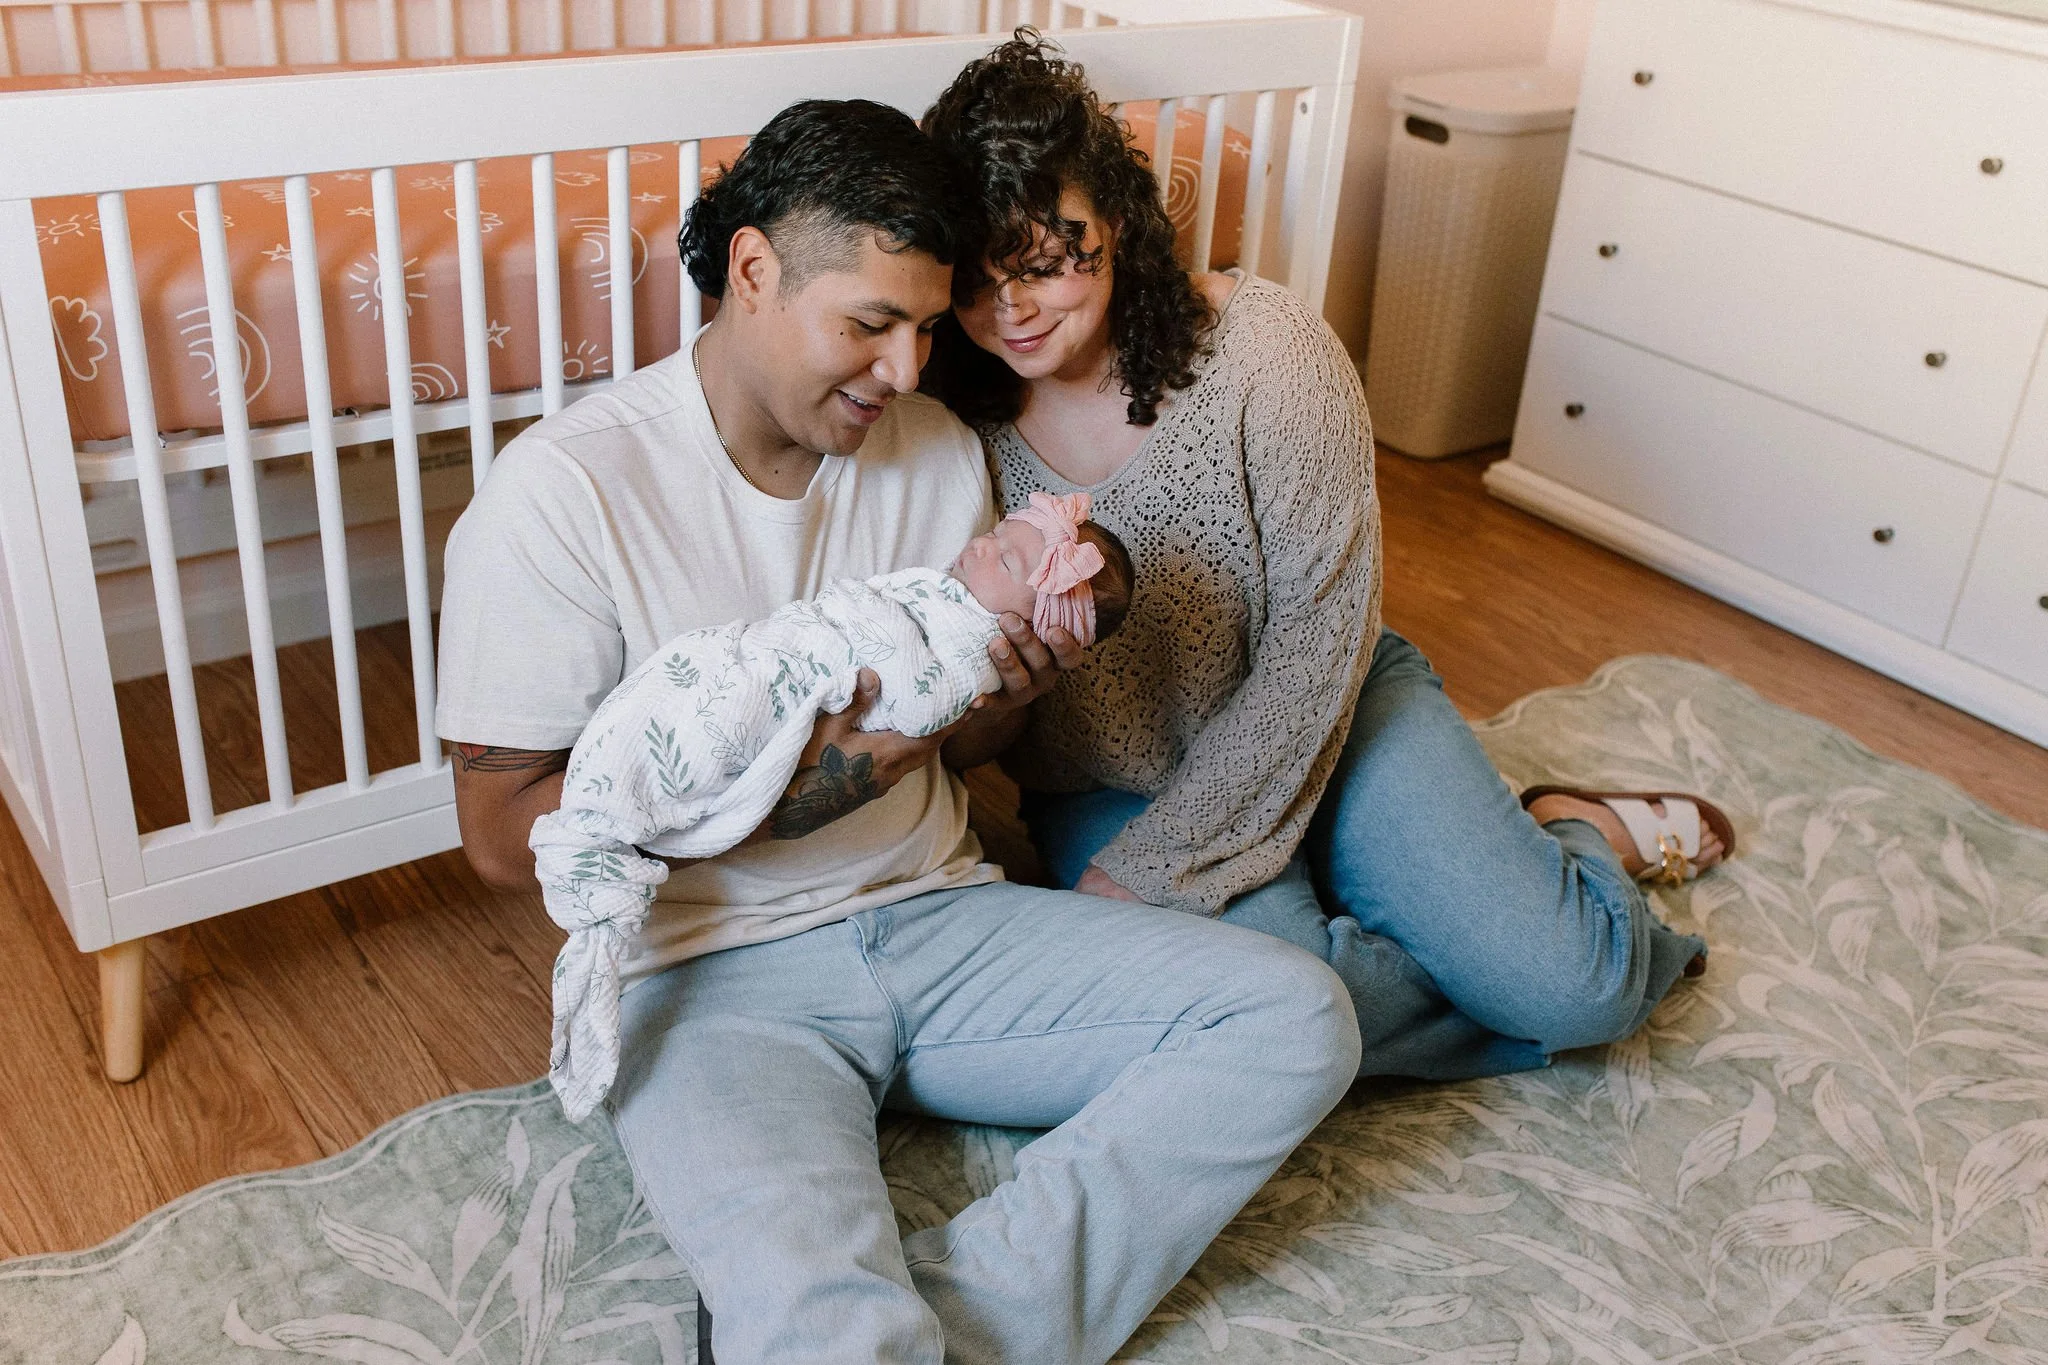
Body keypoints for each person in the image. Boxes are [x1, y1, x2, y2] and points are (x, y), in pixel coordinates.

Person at [435, 97, 1360, 1365]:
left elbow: (967, 750)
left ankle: (925, 1330)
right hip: (711, 979)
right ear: (753, 271)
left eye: (926, 328)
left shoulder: (928, 453)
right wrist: (864, 754)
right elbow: (500, 841)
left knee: (1295, 1017)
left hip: (941, 919)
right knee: (820, 1320)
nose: (910, 371)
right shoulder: (561, 494)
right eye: (869, 325)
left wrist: (1008, 687)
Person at [921, 34, 1732, 1083]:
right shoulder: (947, 426)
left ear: (1114, 217)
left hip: (1335, 715)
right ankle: (1432, 926)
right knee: (1259, 1010)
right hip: (1107, 783)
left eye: (1044, 260)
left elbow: (1319, 639)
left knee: (1575, 990)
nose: (1013, 310)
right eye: (980, 284)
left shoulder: (1263, 352)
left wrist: (1153, 875)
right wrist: (1002, 703)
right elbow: (967, 723)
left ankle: (1567, 837)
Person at [529, 493, 1132, 1122]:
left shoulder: (973, 632)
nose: (980, 546)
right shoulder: (566, 493)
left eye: (1006, 561)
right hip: (716, 952)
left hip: (941, 904)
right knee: (701, 703)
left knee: (1244, 1017)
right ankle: (613, 806)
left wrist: (993, 699)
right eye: (994, 536)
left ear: (1039, 621)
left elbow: (924, 705)